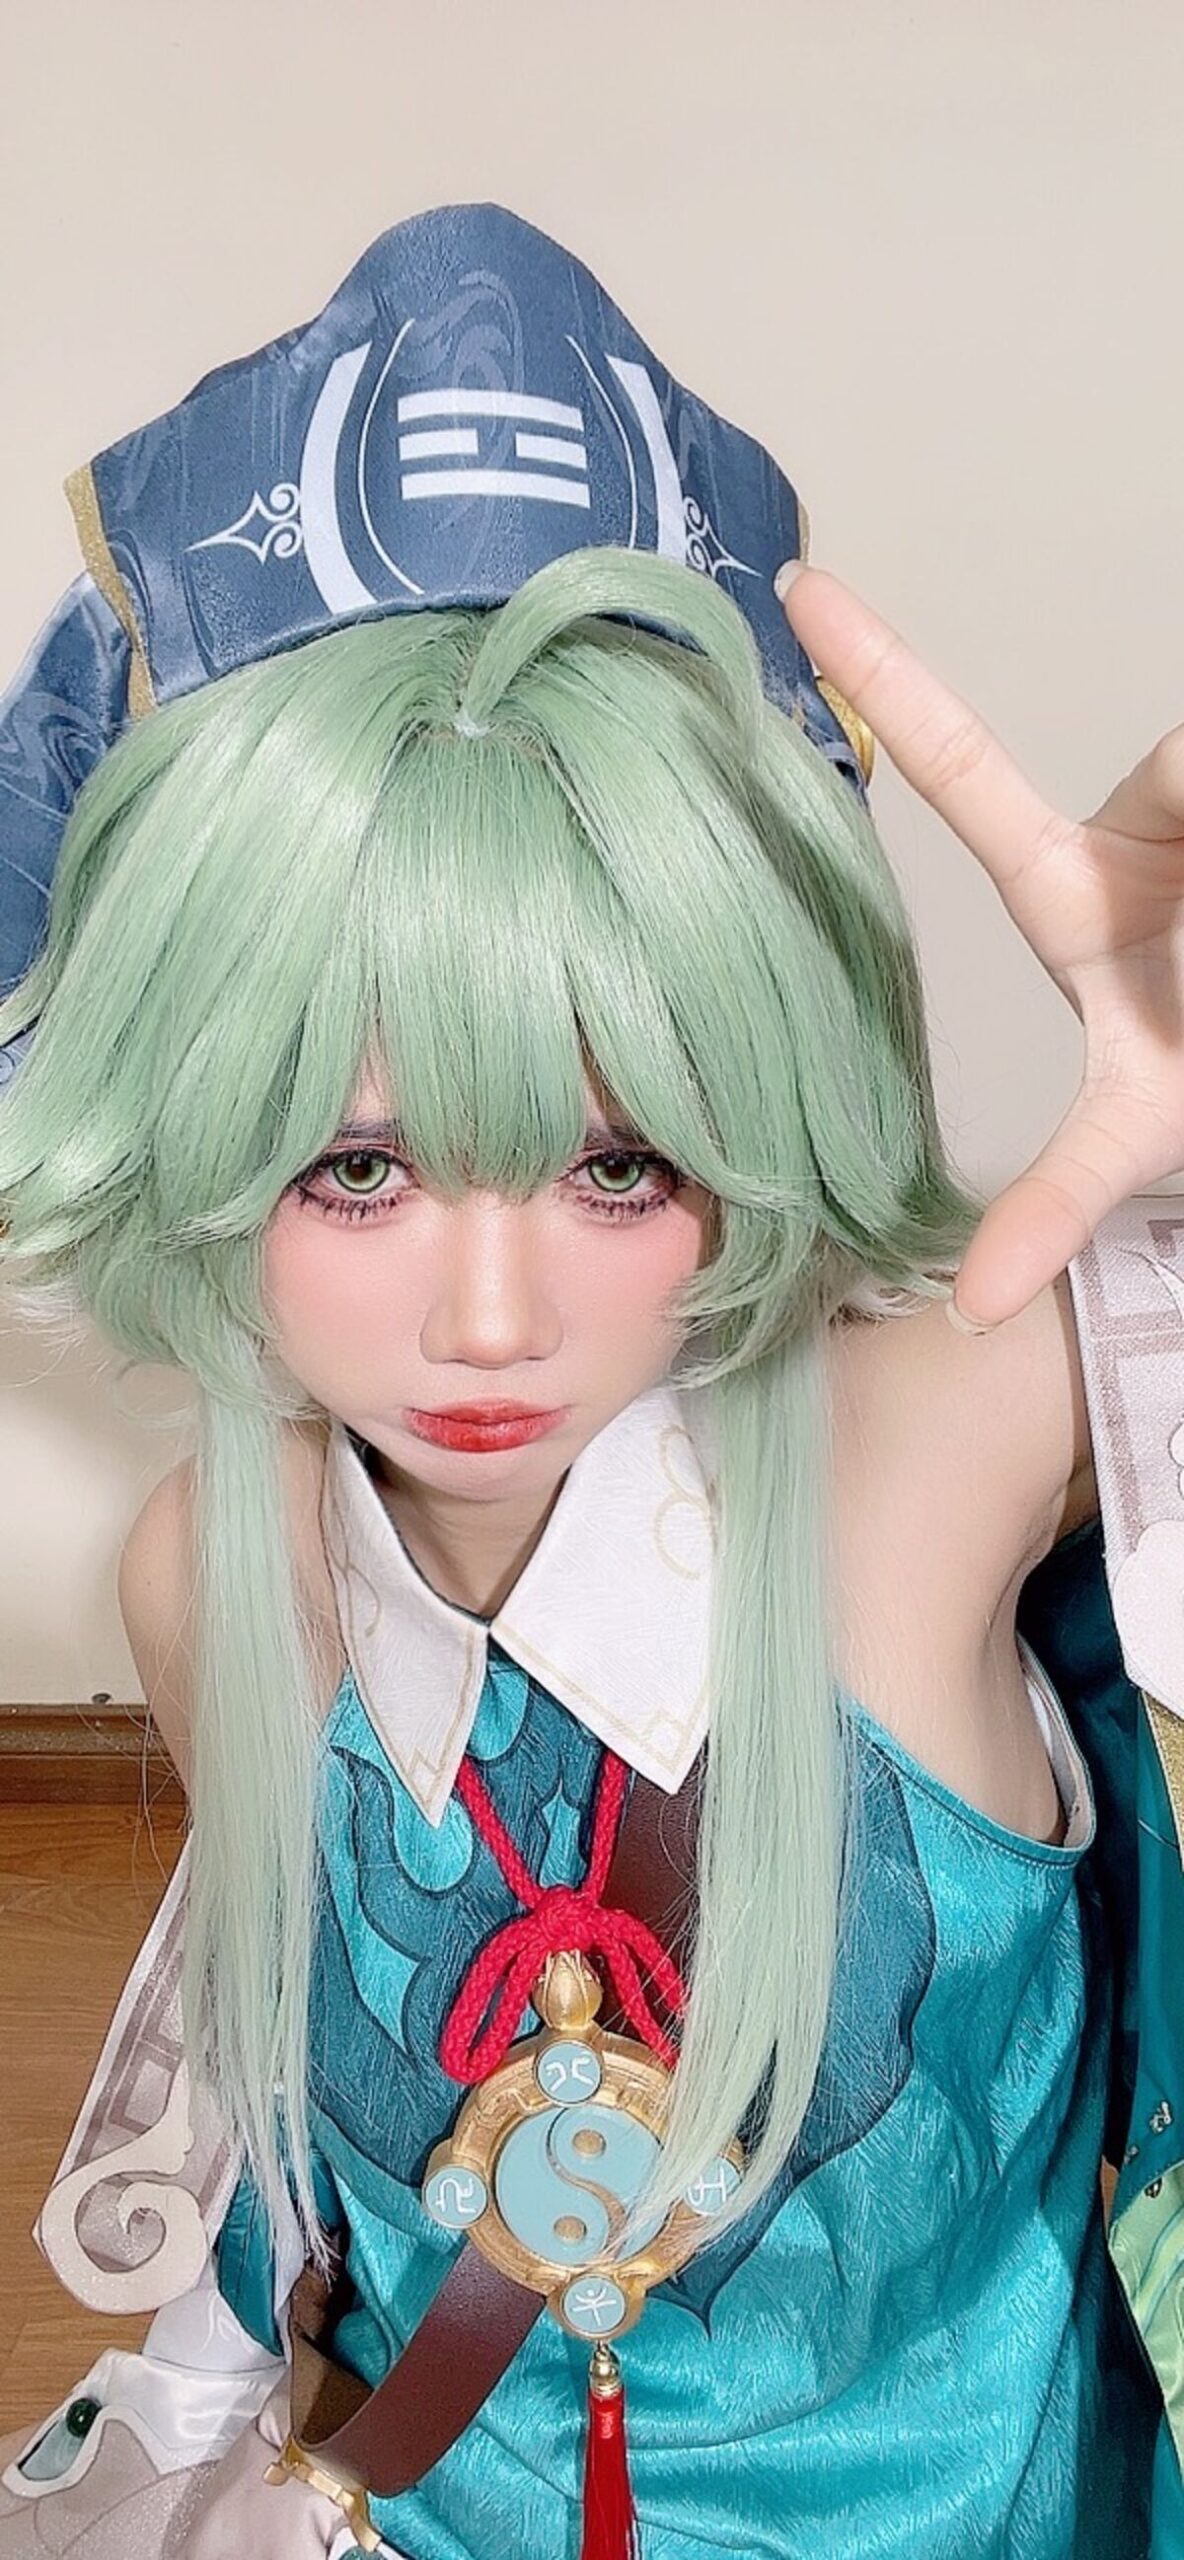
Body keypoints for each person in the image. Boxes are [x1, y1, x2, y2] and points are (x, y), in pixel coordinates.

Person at [0, 200, 1182, 2559]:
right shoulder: (210, 1567)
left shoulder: (926, 1442)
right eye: (354, 1167)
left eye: (615, 1162)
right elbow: (308, 2159)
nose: (485, 1316)